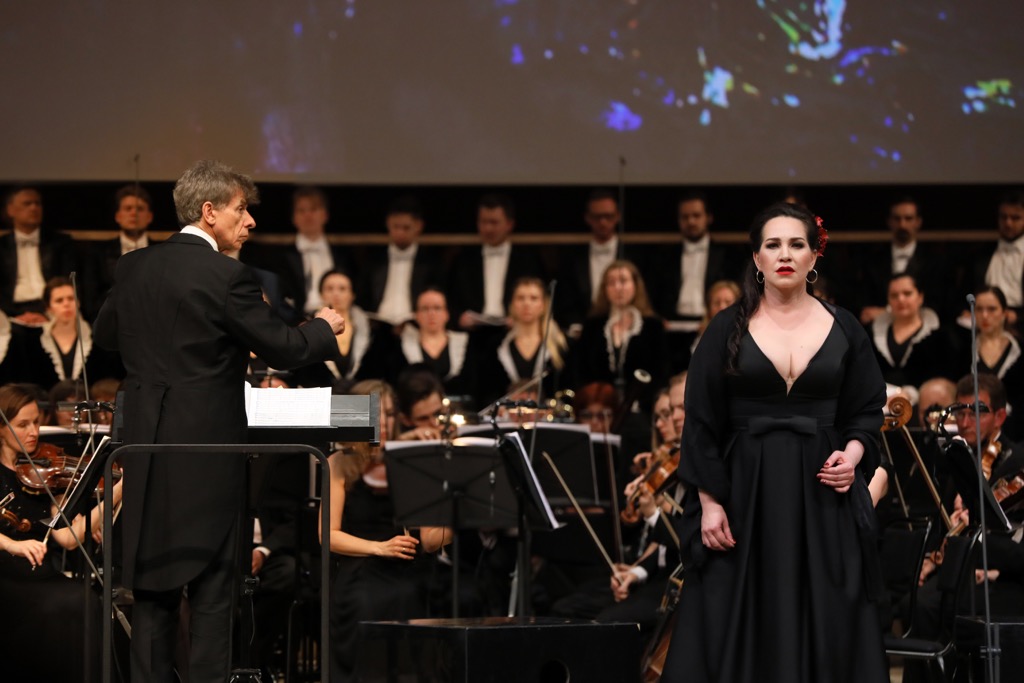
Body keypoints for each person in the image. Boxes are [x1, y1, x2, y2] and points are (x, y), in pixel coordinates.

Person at [93, 160, 346, 683]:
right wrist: (322, 326)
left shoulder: (133, 267)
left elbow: (107, 336)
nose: (249, 221)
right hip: (208, 454)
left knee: (153, 597)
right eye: (240, 209)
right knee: (212, 598)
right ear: (209, 212)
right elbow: (284, 347)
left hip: (145, 452)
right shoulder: (228, 276)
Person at [664, 202, 888, 682]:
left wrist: (852, 457)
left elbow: (867, 409)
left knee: (828, 608)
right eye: (773, 244)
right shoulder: (725, 327)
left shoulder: (845, 326)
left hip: (822, 492)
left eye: (796, 244)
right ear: (757, 257)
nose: (785, 254)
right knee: (738, 608)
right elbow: (700, 421)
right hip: (744, 491)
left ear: (814, 256)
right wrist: (709, 503)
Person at [321, 379, 450, 682]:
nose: (384, 422)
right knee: (369, 600)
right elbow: (328, 535)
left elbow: (431, 540)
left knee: (424, 592)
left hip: (408, 562)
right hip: (362, 563)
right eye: (376, 412)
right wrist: (379, 547)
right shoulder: (339, 463)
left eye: (390, 414)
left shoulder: (410, 460)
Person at [0, 383, 123, 681]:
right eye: (23, 425)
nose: (34, 432)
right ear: (2, 429)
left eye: (36, 422)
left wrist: (119, 490)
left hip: (40, 575)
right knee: (61, 604)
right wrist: (13, 545)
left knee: (85, 599)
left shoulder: (41, 472)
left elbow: (69, 538)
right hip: (7, 578)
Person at [574, 260, 669, 409]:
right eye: (611, 283)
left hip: (642, 407)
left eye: (623, 281)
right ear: (604, 288)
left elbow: (661, 372)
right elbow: (581, 370)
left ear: (635, 285)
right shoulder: (593, 326)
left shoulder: (652, 326)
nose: (618, 288)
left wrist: (640, 402)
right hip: (599, 408)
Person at [10, 276, 123, 390]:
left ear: (78, 303)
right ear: (48, 308)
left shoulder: (97, 338)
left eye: (71, 298)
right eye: (59, 301)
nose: (66, 304)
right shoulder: (34, 341)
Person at [291, 269, 394, 389]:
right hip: (319, 394)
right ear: (321, 294)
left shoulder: (372, 328)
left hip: (362, 394)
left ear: (352, 295)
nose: (336, 294)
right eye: (329, 289)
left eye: (342, 289)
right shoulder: (306, 327)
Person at [478, 277, 568, 406]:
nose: (527, 304)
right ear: (512, 304)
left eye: (533, 298)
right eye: (520, 298)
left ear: (543, 305)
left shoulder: (560, 345)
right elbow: (486, 392)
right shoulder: (496, 346)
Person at [867, 272, 954, 404]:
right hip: (880, 404)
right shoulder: (872, 334)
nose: (901, 299)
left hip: (924, 405)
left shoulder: (938, 335)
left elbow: (943, 378)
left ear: (920, 297)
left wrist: (910, 394)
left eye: (907, 293)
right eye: (894, 295)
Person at [0, 186, 76, 323]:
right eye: (27, 203)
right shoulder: (2, 246)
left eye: (37, 203)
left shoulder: (60, 243)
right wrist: (13, 315)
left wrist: (48, 313)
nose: (34, 208)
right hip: (9, 313)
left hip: (52, 311)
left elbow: (69, 281)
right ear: (10, 210)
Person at [360, 195, 438, 326]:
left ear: (419, 226)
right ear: (387, 224)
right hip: (378, 327)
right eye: (395, 227)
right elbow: (363, 298)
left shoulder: (430, 263)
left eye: (406, 227)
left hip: (416, 327)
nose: (400, 233)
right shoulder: (374, 261)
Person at [959, 286, 1023, 439]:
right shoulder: (963, 350)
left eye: (992, 309)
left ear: (1004, 312)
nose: (985, 315)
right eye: (979, 309)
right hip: (974, 428)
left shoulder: (1020, 349)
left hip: (1017, 429)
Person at [277, 186, 348, 322]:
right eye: (301, 210)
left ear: (325, 214)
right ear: (293, 218)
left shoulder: (341, 254)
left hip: (338, 318)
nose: (308, 215)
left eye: (314, 209)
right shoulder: (282, 257)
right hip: (298, 323)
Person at [84, 184, 155, 319]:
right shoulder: (98, 254)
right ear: (118, 216)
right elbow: (91, 302)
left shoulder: (163, 251)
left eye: (140, 209)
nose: (134, 213)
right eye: (128, 208)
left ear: (149, 217)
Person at [396, 287, 475, 401]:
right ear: (416, 315)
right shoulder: (400, 346)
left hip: (459, 408)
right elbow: (386, 389)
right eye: (425, 308)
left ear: (447, 314)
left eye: (437, 308)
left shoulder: (466, 344)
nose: (431, 314)